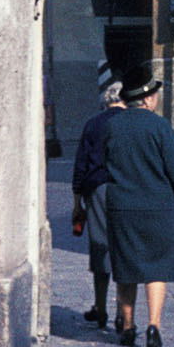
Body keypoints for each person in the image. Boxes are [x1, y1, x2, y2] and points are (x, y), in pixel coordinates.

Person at [104, 63, 174, 347]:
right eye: (154, 94)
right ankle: (154, 327)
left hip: (122, 207)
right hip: (158, 207)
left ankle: (128, 326)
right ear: (147, 98)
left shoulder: (111, 126)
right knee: (156, 269)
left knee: (126, 267)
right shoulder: (160, 127)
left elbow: (105, 164)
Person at [71, 74, 125, 330]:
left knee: (100, 247)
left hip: (99, 189)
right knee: (125, 249)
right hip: (127, 188)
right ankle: (124, 312)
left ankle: (101, 307)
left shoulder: (93, 123)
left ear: (106, 102)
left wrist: (77, 201)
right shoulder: (130, 122)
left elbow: (81, 164)